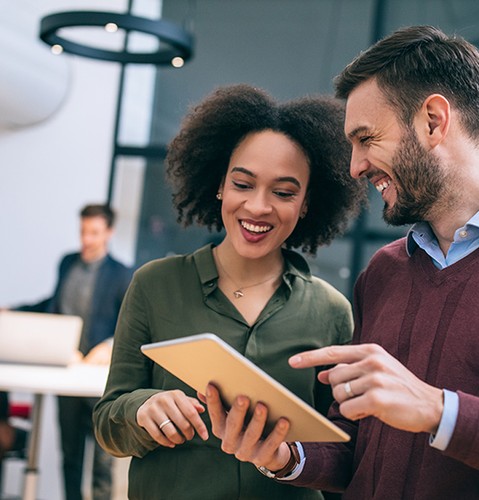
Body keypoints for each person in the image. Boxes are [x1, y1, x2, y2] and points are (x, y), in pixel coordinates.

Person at [204, 25, 479, 499]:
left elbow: (427, 410)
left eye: (366, 138)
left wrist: (438, 411)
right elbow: (357, 445)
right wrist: (284, 456)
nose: (355, 167)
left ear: (433, 120)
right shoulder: (384, 273)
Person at [93, 84, 365, 500]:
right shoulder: (155, 285)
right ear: (219, 184)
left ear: (307, 203)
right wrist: (142, 409)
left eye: (284, 192)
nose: (258, 207)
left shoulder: (331, 311)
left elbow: (343, 453)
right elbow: (109, 424)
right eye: (243, 184)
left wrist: (290, 457)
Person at [15, 204, 132, 500]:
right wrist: (13, 311)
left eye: (94, 233)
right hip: (66, 372)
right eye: (83, 231)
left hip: (99, 380)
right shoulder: (67, 263)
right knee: (70, 456)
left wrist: (107, 347)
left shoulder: (121, 274)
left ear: (108, 233)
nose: (87, 239)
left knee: (104, 460)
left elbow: (129, 322)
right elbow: (52, 304)